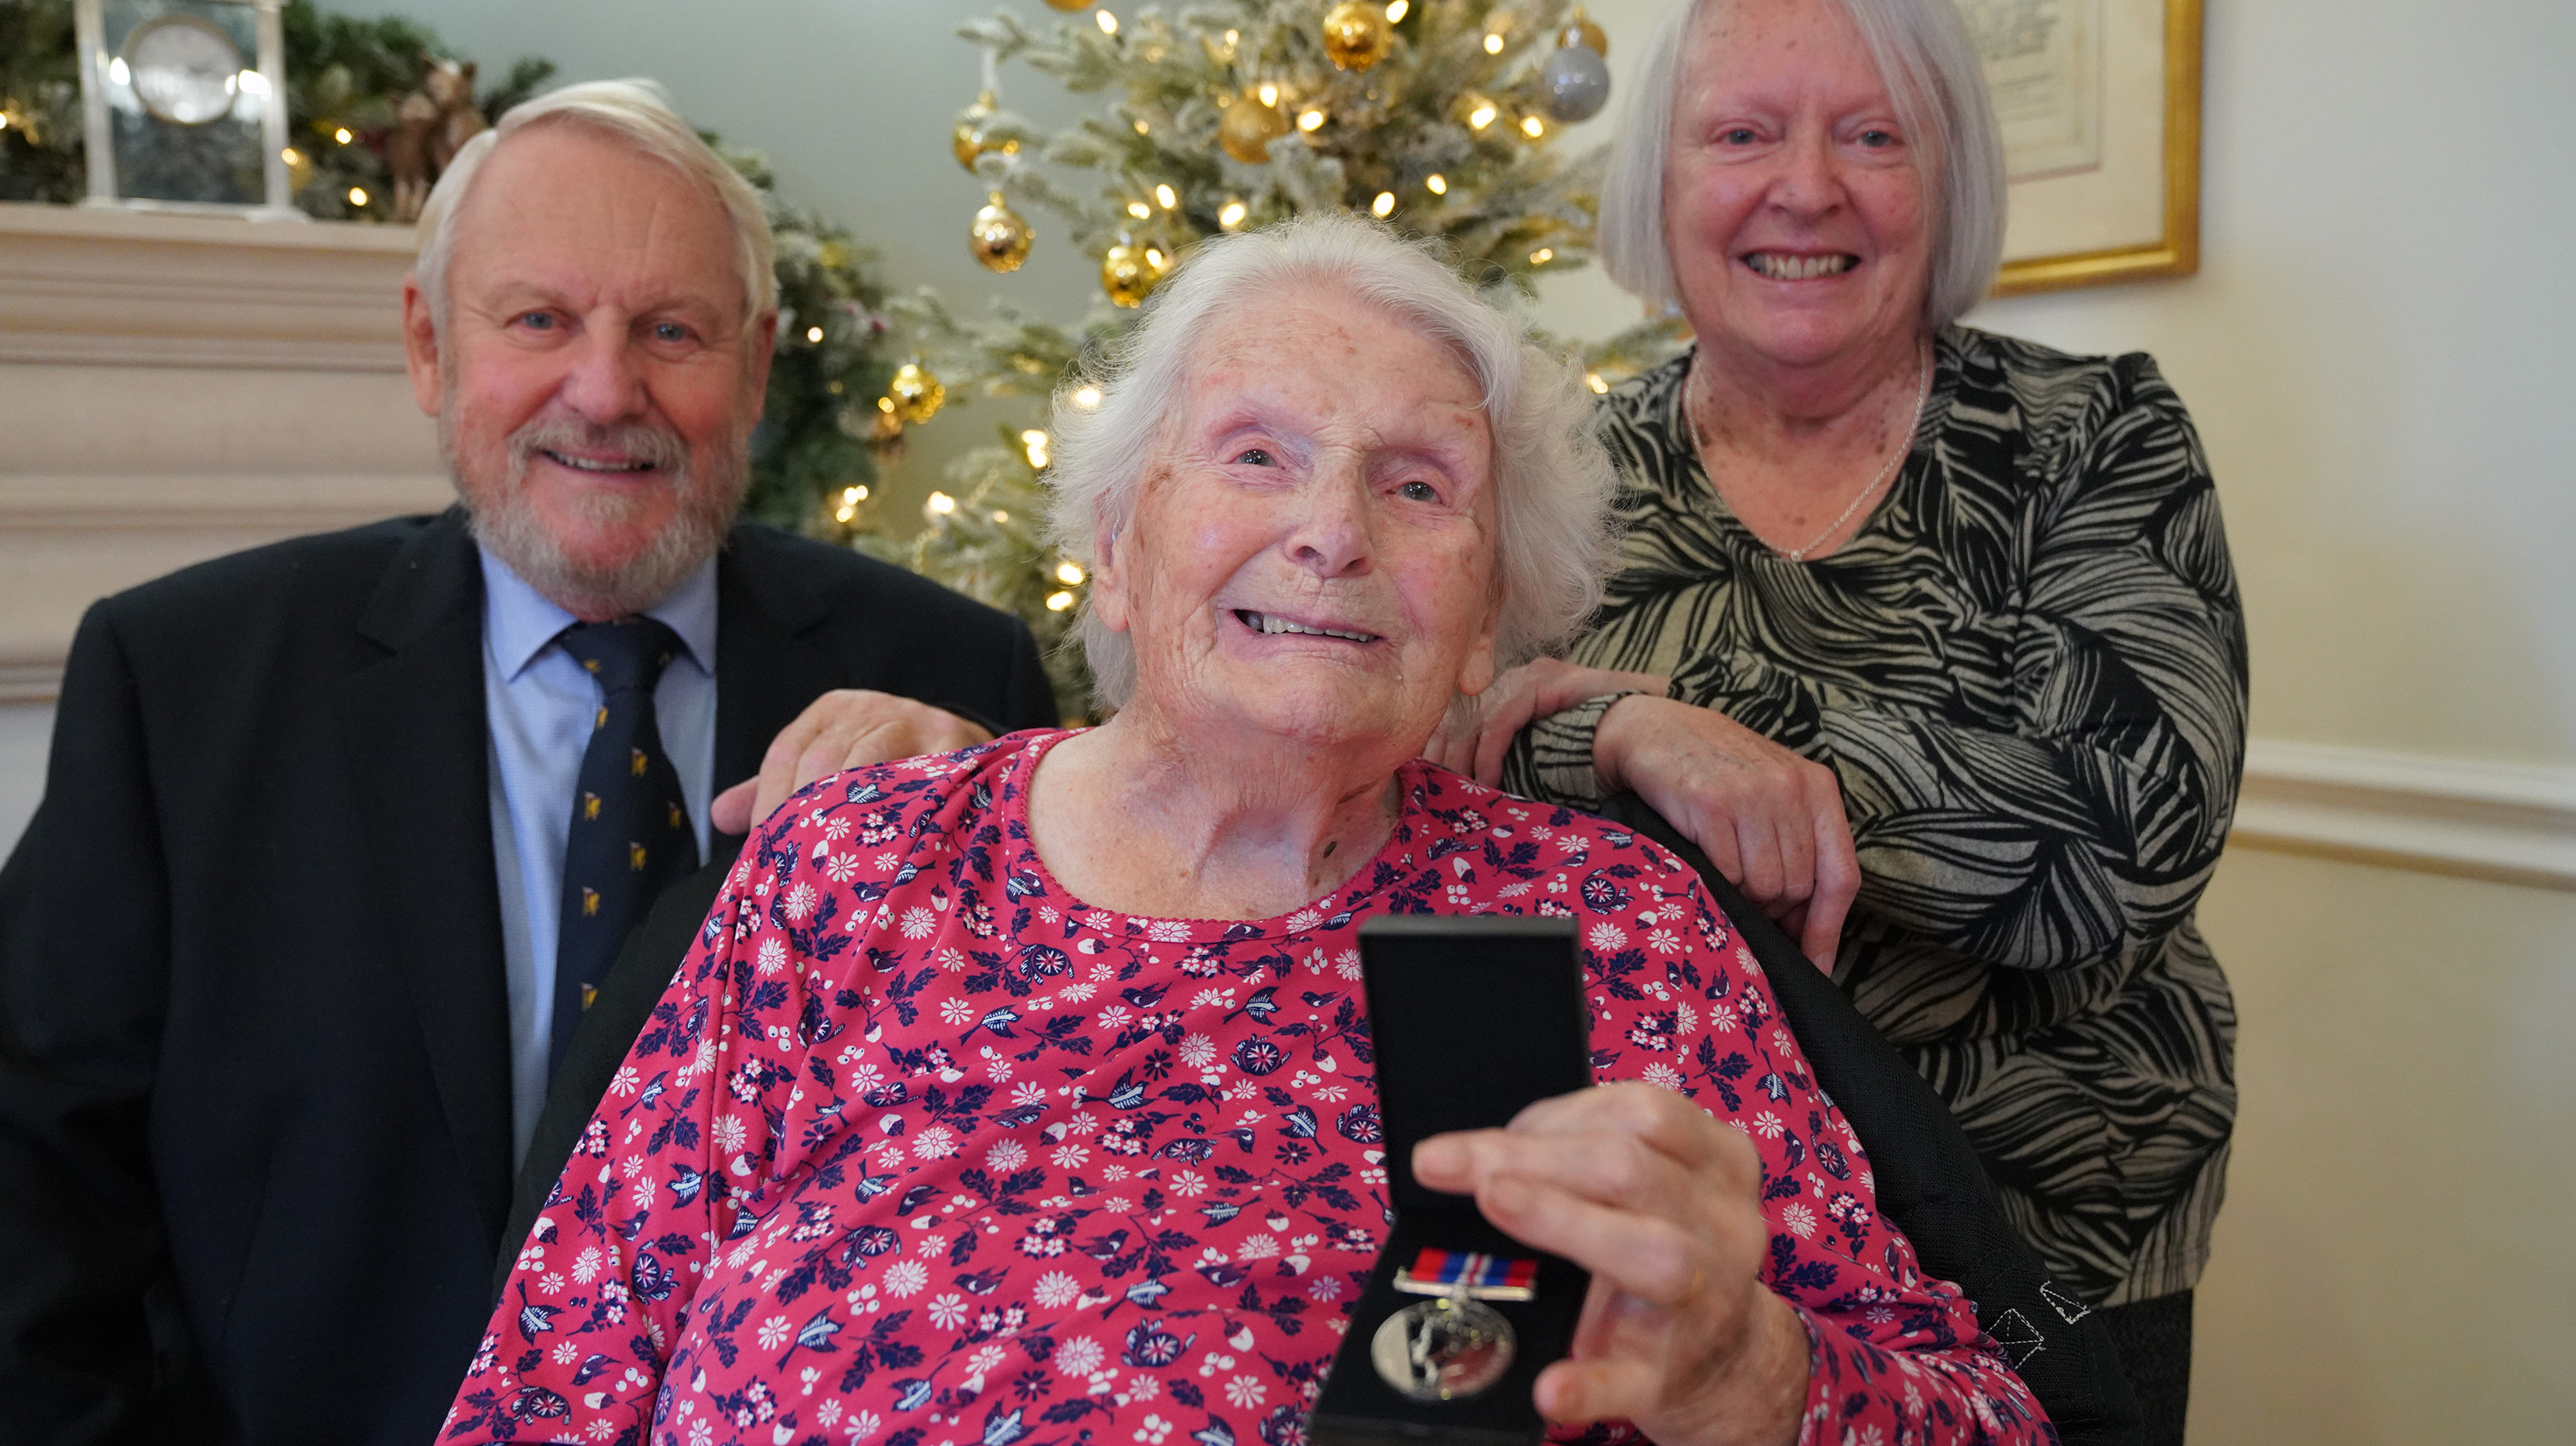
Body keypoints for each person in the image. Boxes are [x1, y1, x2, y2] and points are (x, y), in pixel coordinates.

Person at [445, 214, 2048, 1446]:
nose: (1330, 531)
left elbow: (1982, 1417)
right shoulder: (852, 872)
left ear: (1487, 621)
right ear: (1117, 555)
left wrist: (1739, 1370)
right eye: (1256, 455)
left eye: (1421, 488)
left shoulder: (1608, 932)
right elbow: (554, 1380)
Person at [0, 81, 1056, 1445]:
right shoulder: (185, 683)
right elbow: (28, 1185)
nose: (606, 390)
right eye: (540, 321)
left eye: (671, 330)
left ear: (756, 366)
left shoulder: (957, 686)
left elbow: (1034, 1174)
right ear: (432, 348)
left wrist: (987, 829)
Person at [1425, 1, 2245, 1437]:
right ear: (1661, 183)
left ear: (1948, 179)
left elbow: (2123, 841)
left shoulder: (2091, 435)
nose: (1806, 188)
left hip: (2055, 1238)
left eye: (1874, 137)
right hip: (1671, 1233)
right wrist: (1612, 741)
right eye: (1743, 134)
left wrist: (1683, 718)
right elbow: (1455, 776)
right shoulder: (1569, 476)